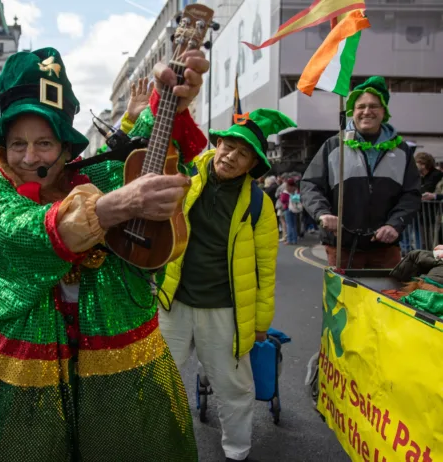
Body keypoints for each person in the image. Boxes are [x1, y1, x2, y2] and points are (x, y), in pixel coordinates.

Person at [0, 46, 209, 461]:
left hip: (119, 372)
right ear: (3, 146)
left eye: (44, 143)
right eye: (17, 144)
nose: (30, 157)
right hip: (22, 380)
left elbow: (151, 147)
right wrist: (115, 207)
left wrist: (173, 96)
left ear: (66, 147)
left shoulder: (99, 175)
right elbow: (25, 232)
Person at [155, 109, 286, 462]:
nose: (231, 157)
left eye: (242, 154)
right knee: (156, 379)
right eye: (228, 146)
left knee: (234, 390)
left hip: (225, 309)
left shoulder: (259, 204)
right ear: (218, 145)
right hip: (173, 302)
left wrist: (260, 322)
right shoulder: (186, 179)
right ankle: (155, 444)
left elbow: (265, 269)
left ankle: (237, 452)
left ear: (252, 165)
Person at [300, 76, 421, 269]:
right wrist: (322, 213)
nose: (366, 111)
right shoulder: (334, 145)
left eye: (373, 106)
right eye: (361, 106)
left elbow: (411, 194)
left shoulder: (402, 150)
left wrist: (395, 224)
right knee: (344, 290)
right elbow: (310, 185)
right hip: (342, 245)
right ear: (352, 111)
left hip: (385, 247)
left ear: (384, 111)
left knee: (387, 290)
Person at [280, 178, 300, 245]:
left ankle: (289, 240)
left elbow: (282, 200)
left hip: (288, 208)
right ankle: (294, 240)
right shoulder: (296, 190)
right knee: (294, 225)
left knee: (289, 225)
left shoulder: (286, 192)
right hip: (295, 208)